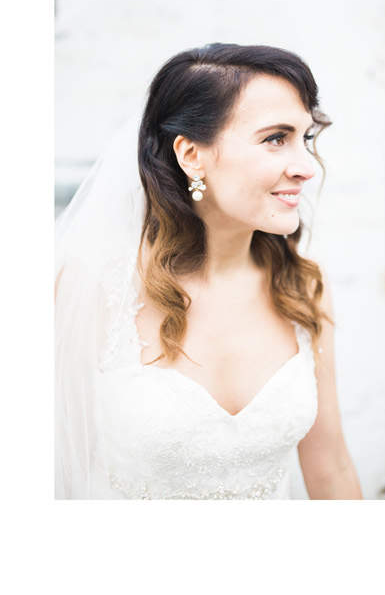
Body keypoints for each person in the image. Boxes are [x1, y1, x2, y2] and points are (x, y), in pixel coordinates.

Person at [55, 44, 361, 499]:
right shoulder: (95, 286)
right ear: (192, 155)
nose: (305, 168)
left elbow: (331, 468)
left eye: (306, 139)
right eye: (276, 138)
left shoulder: (304, 287)